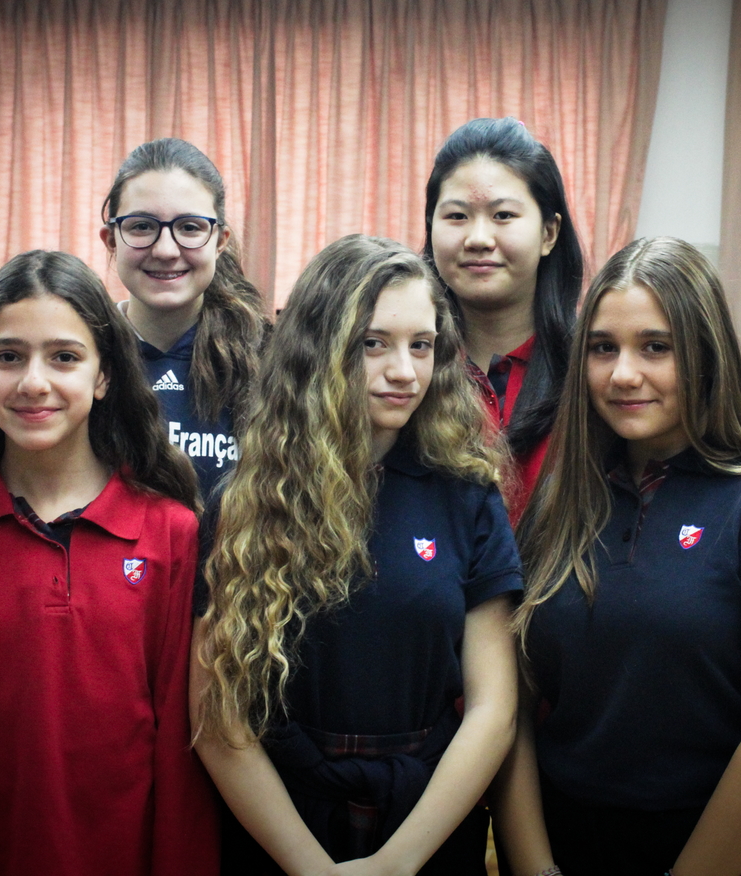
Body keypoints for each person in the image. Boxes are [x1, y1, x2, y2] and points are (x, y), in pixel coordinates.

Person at [497, 237, 741, 876]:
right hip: (571, 840)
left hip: (726, 849)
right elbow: (513, 709)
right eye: (603, 347)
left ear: (705, 355)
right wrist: (535, 865)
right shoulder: (563, 502)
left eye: (655, 347)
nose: (623, 373)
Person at [0, 250, 217, 876]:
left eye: (64, 356)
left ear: (104, 374)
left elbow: (181, 758)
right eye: (8, 356)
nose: (34, 382)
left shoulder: (170, 534)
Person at [192, 234, 521, 875]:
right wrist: (310, 867)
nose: (404, 370)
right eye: (374, 344)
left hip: (424, 824)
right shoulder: (247, 500)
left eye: (421, 346)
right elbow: (218, 717)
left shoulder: (467, 494)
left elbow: (493, 710)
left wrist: (395, 864)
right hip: (283, 827)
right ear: (320, 349)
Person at [423, 117, 584, 521]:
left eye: (503, 216)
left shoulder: (592, 369)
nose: (478, 238)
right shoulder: (405, 370)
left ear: (549, 233)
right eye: (457, 216)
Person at [100, 138, 268, 500]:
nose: (165, 249)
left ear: (219, 240)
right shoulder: (81, 357)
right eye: (142, 226)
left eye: (190, 227)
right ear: (111, 240)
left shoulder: (270, 360)